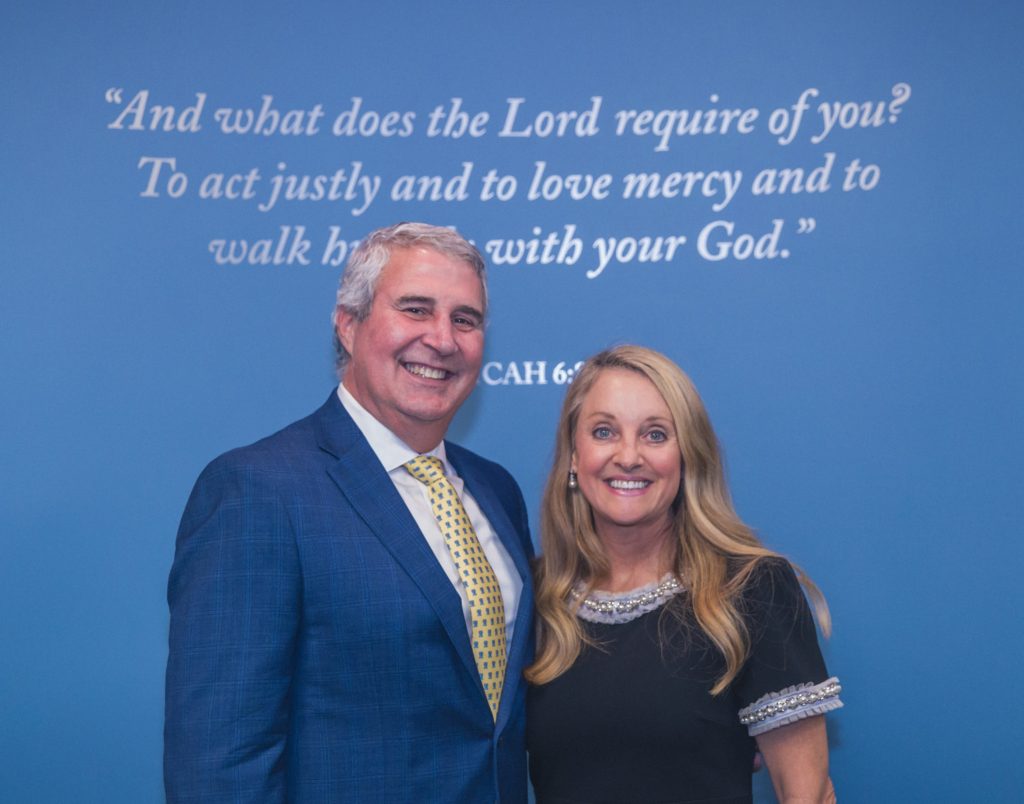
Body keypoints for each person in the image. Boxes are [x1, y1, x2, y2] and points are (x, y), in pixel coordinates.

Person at [165, 223, 534, 803]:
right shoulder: (258, 491)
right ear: (348, 323)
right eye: (415, 309)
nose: (443, 339)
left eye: (466, 319)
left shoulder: (496, 489)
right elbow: (222, 761)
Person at [525, 345, 842, 804]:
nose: (628, 455)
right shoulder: (534, 599)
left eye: (655, 435)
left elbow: (807, 795)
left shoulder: (751, 589)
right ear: (574, 456)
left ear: (687, 454)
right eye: (603, 431)